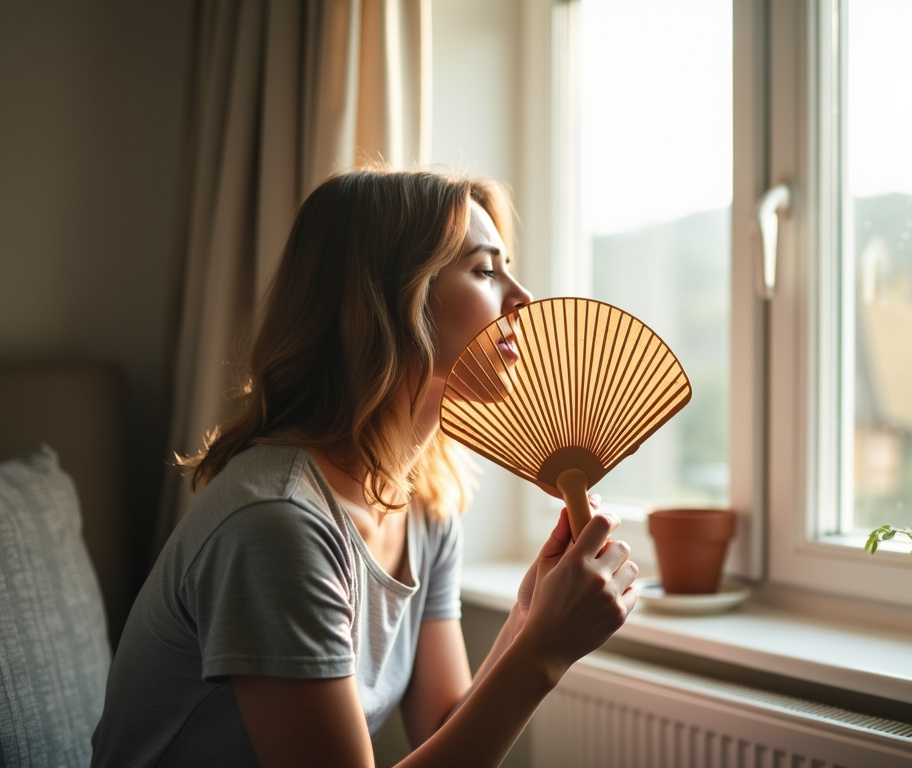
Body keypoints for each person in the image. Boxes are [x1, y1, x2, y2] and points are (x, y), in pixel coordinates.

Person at [91, 167, 639, 767]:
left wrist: (529, 619)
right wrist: (544, 653)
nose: (522, 298)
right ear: (392, 298)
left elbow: (443, 727)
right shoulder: (277, 524)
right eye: (485, 270)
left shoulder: (422, 507)